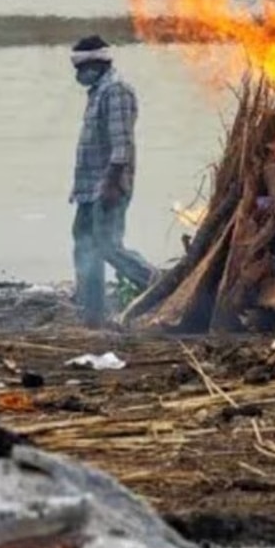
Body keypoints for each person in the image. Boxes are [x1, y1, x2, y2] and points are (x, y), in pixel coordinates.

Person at [69, 35, 157, 329]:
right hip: (88, 188)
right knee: (84, 243)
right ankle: (92, 312)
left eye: (81, 66)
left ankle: (158, 286)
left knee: (108, 246)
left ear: (98, 62)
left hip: (107, 185)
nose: (78, 74)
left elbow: (122, 146)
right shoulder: (97, 92)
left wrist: (111, 184)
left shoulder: (116, 90)